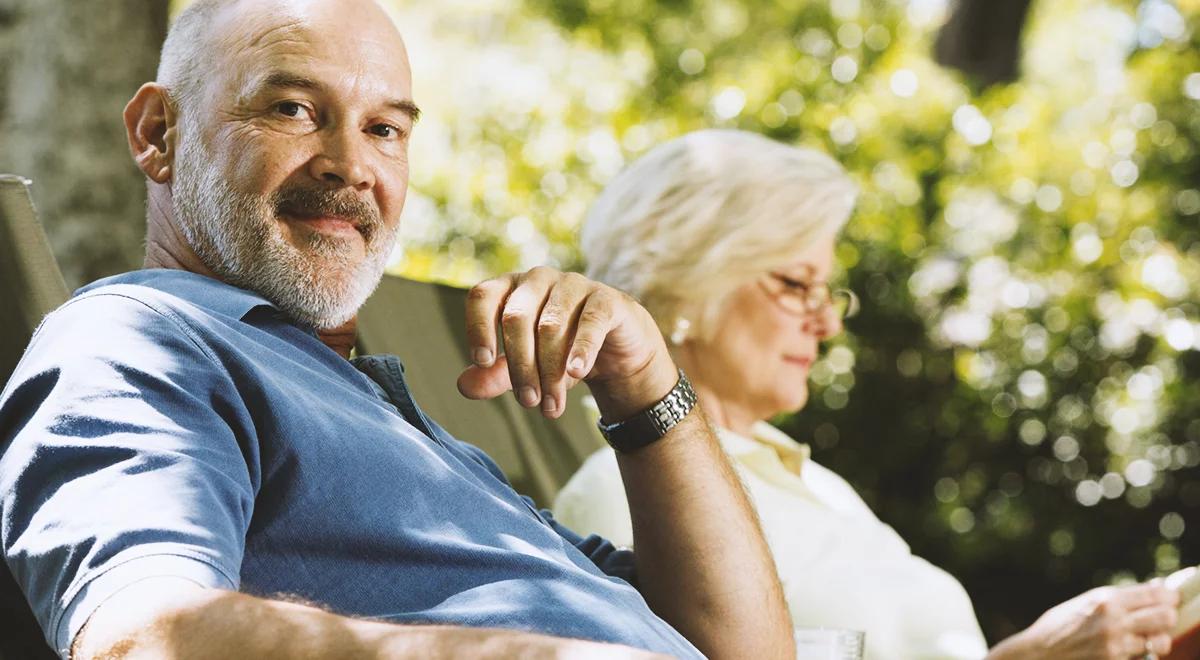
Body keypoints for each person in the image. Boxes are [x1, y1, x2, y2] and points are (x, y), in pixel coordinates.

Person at [0, 3, 795, 659]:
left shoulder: (408, 431)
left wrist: (647, 385)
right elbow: (138, 635)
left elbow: (744, 648)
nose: (350, 163)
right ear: (157, 134)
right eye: (293, 110)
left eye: (385, 128)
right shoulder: (136, 339)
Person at [553, 129, 1181, 660]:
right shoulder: (627, 489)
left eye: (830, 292)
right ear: (687, 285)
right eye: (798, 285)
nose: (827, 324)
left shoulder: (822, 487)